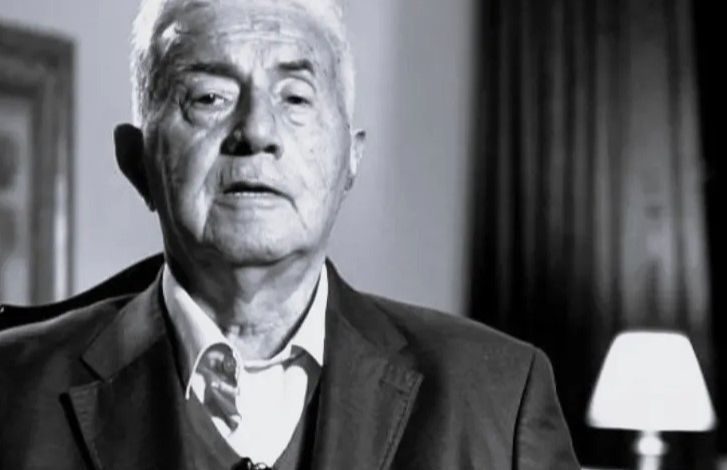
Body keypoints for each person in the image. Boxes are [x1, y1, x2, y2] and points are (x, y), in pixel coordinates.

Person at [0, 0, 580, 468]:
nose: (256, 130)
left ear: (351, 160)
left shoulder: (498, 399)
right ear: (136, 160)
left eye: (295, 97)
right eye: (209, 97)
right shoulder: (14, 391)